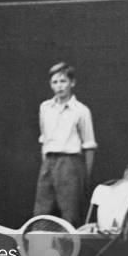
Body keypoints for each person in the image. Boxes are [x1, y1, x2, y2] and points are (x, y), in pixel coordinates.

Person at [33, 62, 97, 226]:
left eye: (63, 81)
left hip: (71, 164)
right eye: (55, 82)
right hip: (48, 163)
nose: (59, 86)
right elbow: (44, 139)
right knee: (42, 212)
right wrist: (47, 165)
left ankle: (71, 250)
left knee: (71, 213)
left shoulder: (81, 110)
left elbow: (89, 146)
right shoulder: (45, 108)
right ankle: (40, 250)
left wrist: (83, 175)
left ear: (72, 83)